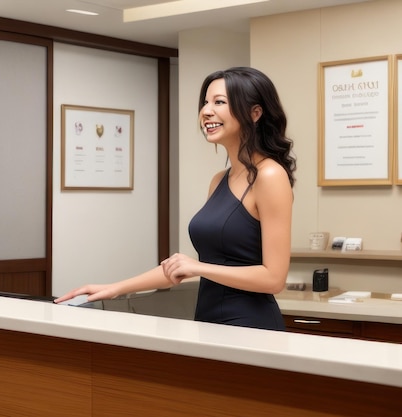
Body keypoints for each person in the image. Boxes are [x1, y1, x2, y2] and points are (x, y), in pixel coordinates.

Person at [55, 67, 296, 331]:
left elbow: (273, 278)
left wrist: (200, 268)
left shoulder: (270, 175)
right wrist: (115, 288)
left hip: (251, 327)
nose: (206, 111)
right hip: (208, 322)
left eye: (219, 102)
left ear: (255, 113)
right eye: (205, 102)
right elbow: (183, 269)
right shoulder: (219, 180)